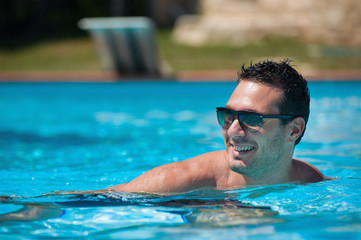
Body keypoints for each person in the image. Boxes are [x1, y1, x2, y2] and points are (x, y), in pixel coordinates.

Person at [78, 59, 325, 194]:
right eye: (228, 116)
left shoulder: (312, 182)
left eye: (251, 119)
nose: (233, 131)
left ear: (294, 130)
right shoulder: (184, 181)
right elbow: (88, 201)